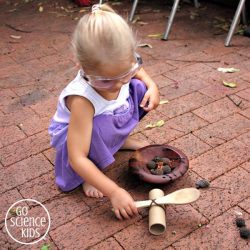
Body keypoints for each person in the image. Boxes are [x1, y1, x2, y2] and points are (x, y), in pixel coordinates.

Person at [48, 4, 160, 220]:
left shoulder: (121, 64)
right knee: (99, 128)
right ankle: (90, 175)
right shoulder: (82, 99)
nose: (118, 85)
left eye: (125, 73)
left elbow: (138, 71)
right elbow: (76, 157)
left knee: (140, 89)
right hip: (75, 138)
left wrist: (152, 86)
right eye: (107, 80)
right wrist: (114, 191)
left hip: (105, 121)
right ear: (82, 67)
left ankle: (116, 142)